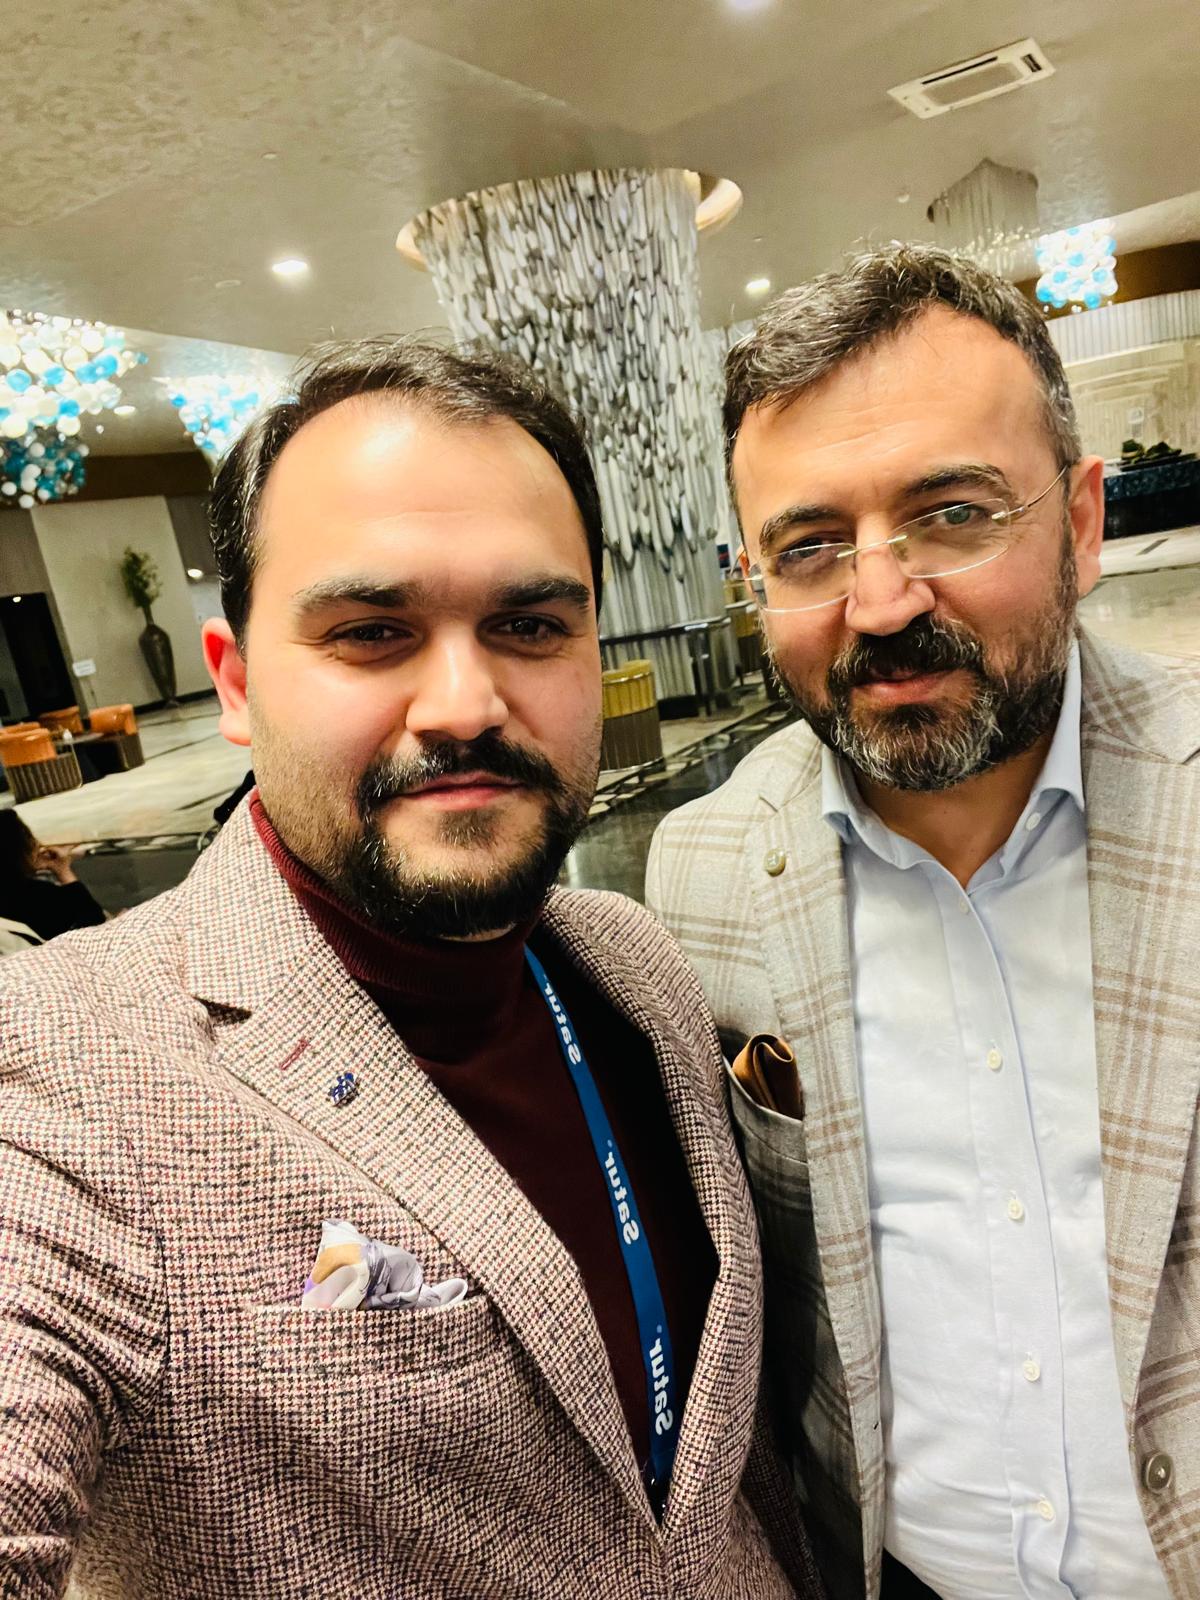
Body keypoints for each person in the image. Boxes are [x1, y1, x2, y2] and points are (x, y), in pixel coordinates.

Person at [0, 337, 818, 1599]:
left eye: (528, 624)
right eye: (373, 632)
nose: (464, 704)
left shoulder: (632, 964)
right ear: (236, 681)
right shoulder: (68, 1067)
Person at [647, 244, 1199, 1600]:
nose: (882, 601)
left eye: (953, 514)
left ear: (1081, 523)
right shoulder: (704, 872)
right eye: (810, 547)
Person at [0, 808, 105, 942]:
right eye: (29, 838)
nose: (38, 844)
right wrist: (63, 871)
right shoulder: (38, 896)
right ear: (18, 851)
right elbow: (95, 922)